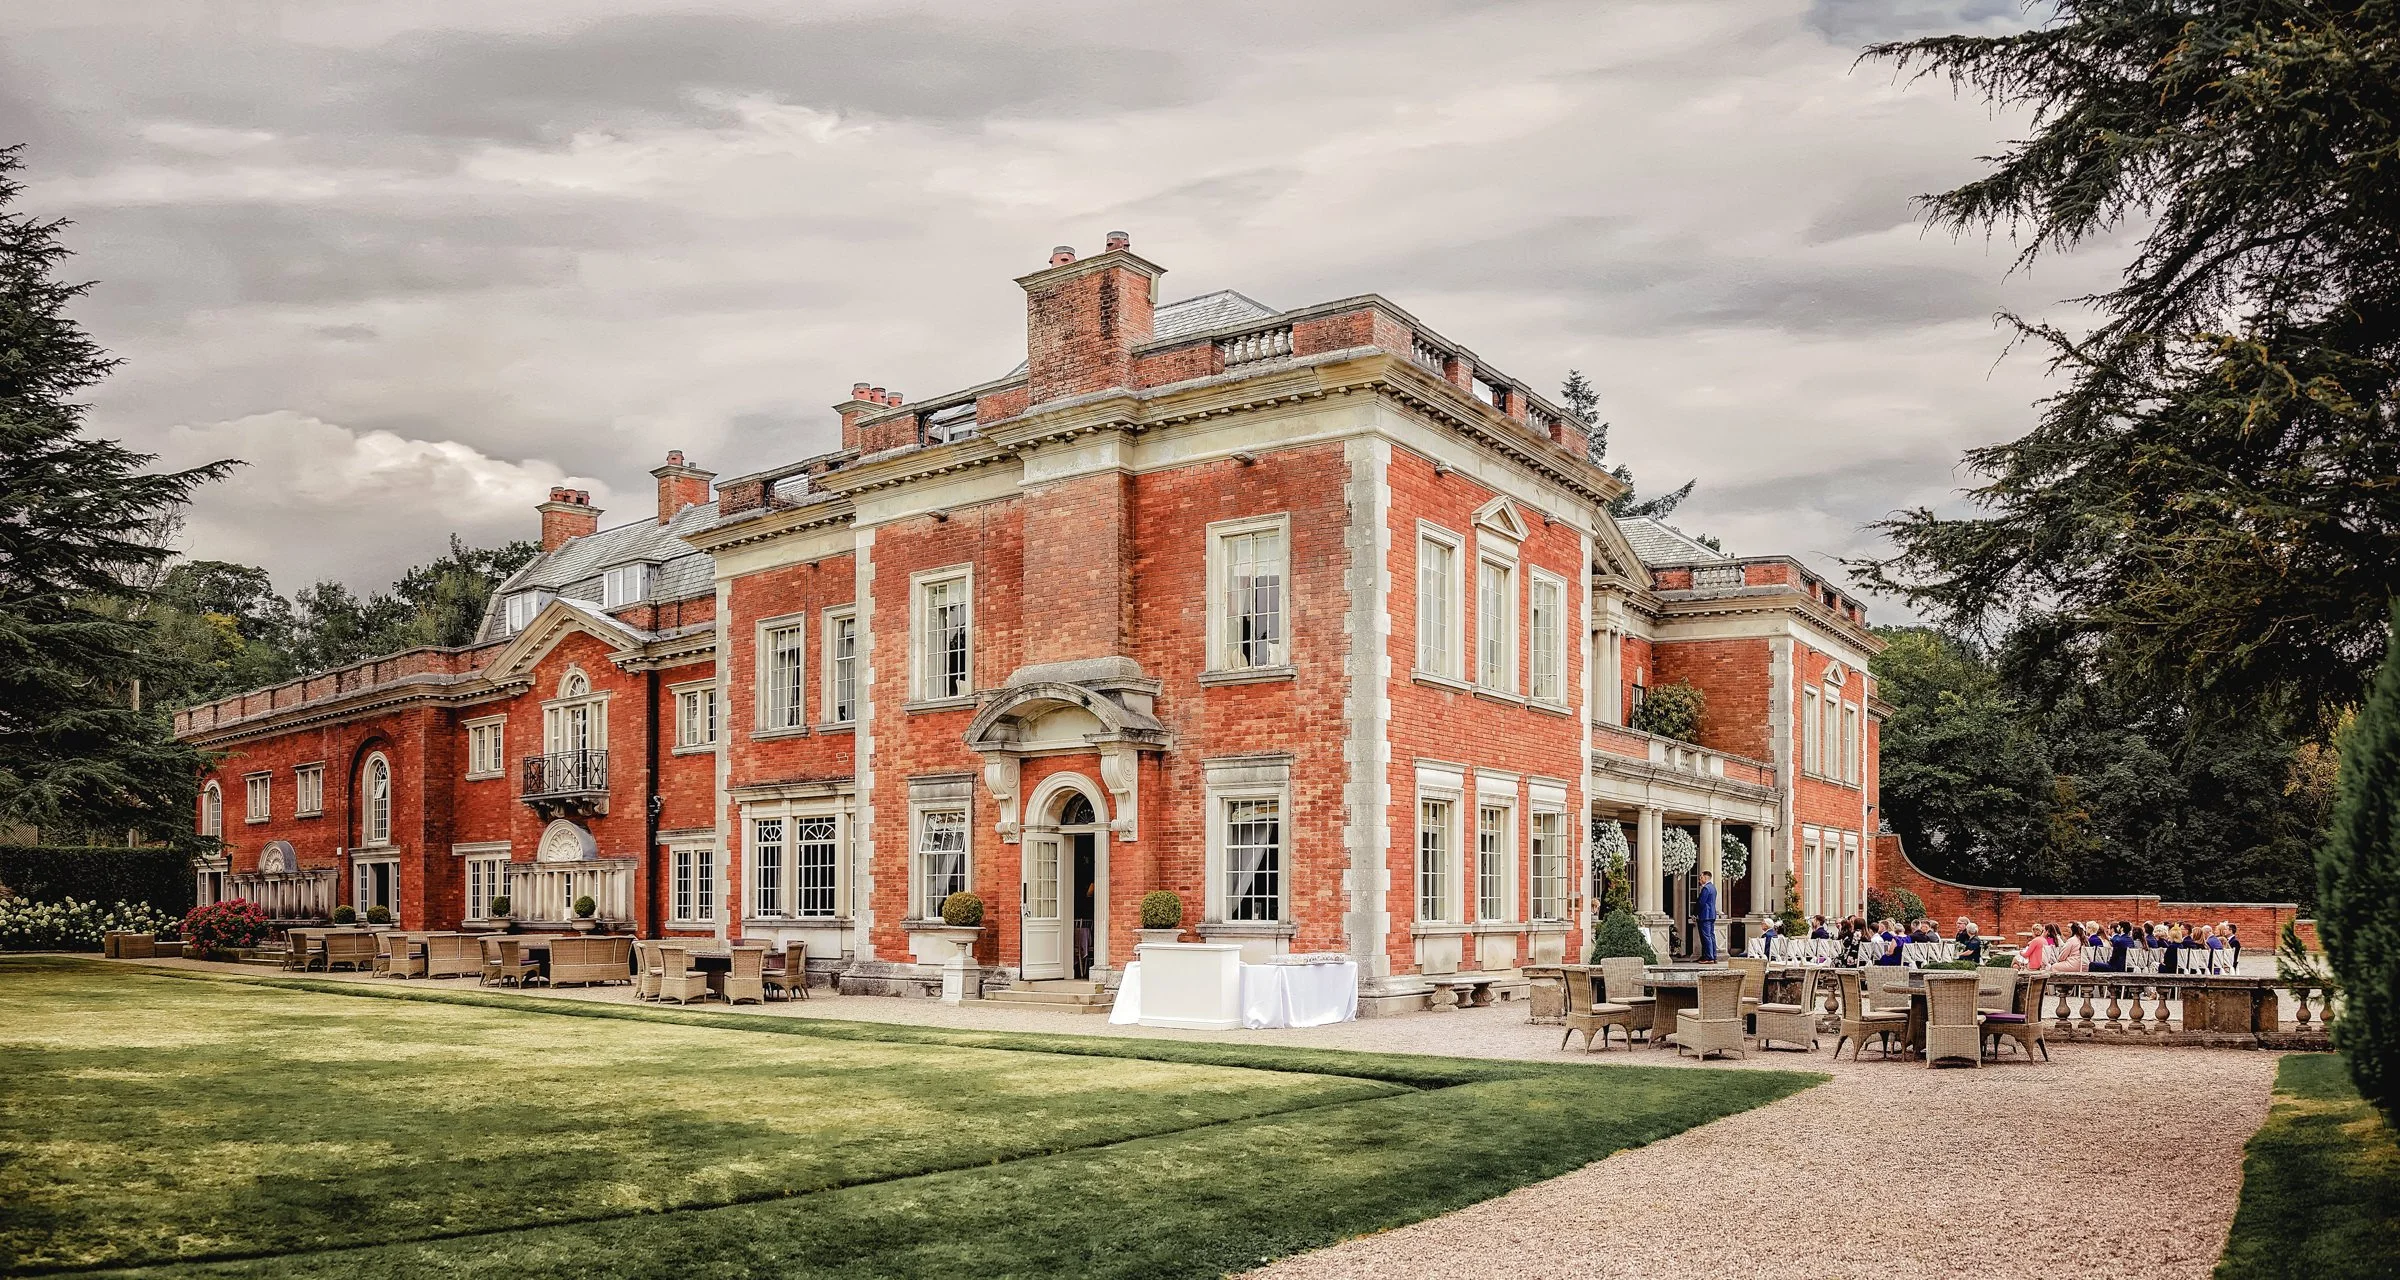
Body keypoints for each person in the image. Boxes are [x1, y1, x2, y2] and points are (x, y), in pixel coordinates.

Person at [1696, 870, 1720, 961]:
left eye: (1701, 877)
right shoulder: (1713, 887)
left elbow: (1701, 902)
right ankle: (1713, 956)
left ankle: (1709, 957)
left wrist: (1696, 913)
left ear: (1706, 878)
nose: (1699, 879)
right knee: (1711, 935)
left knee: (1706, 936)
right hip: (1711, 915)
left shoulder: (1706, 888)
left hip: (1705, 915)